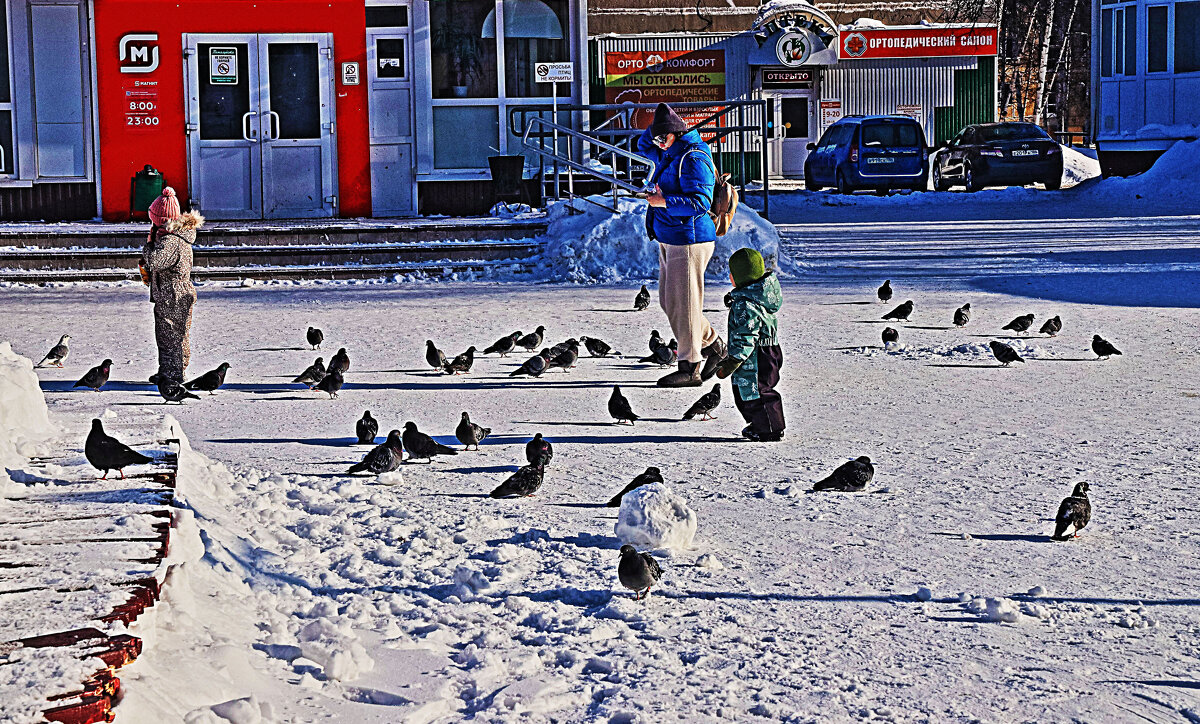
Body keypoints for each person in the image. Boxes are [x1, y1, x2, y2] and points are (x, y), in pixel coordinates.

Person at [637, 103, 728, 388]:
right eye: (657, 138)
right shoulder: (669, 152)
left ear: (676, 134)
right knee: (671, 303)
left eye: (663, 137)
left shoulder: (693, 157)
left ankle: (690, 367)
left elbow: (700, 203)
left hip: (690, 239)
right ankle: (713, 344)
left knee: (685, 306)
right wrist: (658, 128)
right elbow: (642, 145)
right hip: (670, 236)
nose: (657, 143)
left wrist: (663, 201)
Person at [716, 248, 784, 442]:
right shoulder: (759, 296)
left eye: (732, 273)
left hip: (754, 354)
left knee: (755, 391)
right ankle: (762, 424)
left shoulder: (745, 304)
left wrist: (733, 360)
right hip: (768, 350)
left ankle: (769, 429)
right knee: (758, 389)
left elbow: (746, 334)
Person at [140, 187, 203, 383]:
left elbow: (155, 261)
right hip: (169, 293)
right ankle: (167, 370)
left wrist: (149, 245)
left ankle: (175, 373)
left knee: (174, 336)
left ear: (160, 219)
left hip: (174, 295)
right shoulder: (170, 237)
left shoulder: (171, 241)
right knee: (166, 335)